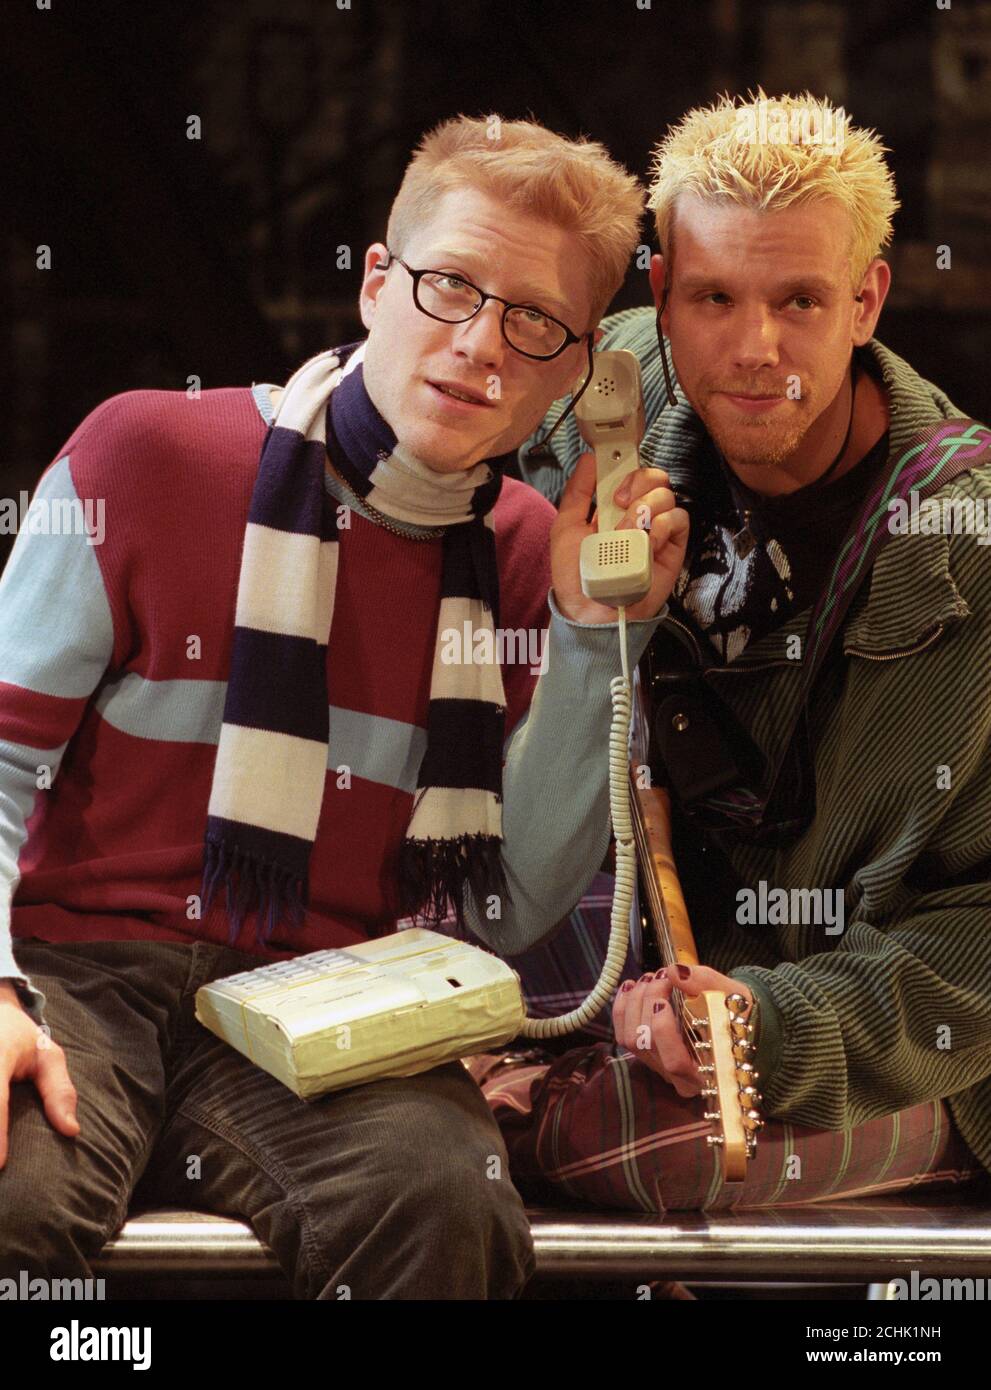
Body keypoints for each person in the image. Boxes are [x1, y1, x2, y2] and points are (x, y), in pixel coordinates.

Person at [0, 114, 690, 1297]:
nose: (480, 345)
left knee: (442, 1198)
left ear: (581, 372)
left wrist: (587, 638)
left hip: (329, 994)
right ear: (376, 283)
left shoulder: (533, 553)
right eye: (448, 286)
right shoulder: (145, 451)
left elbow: (511, 907)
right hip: (75, 970)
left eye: (535, 323)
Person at [482, 89, 991, 1214]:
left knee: (649, 1144)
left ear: (865, 301)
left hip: (880, 1034)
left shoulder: (971, 545)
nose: (755, 350)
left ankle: (511, 1098)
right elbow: (391, 396)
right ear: (658, 294)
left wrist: (771, 1023)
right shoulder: (585, 400)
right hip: (614, 983)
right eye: (713, 297)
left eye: (799, 299)